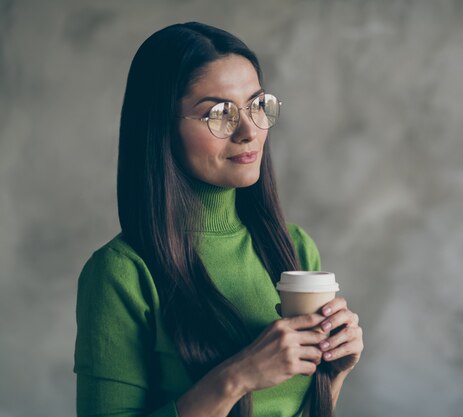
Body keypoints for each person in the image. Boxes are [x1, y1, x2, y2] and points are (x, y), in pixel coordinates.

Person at [73, 22, 364, 417]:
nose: (249, 131)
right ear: (161, 128)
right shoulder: (120, 273)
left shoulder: (294, 248)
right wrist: (237, 377)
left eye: (257, 105)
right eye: (218, 113)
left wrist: (336, 371)